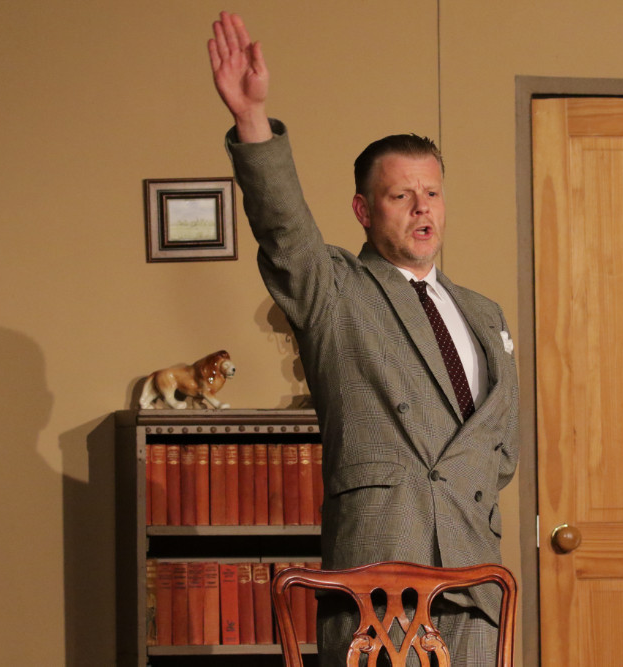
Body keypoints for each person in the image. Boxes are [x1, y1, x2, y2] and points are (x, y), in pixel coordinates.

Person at [208, 12, 519, 666]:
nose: (422, 208)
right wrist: (252, 119)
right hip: (378, 572)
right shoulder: (336, 291)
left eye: (431, 193)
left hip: (474, 574)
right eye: (401, 195)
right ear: (363, 209)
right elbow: (285, 230)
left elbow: (503, 446)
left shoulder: (483, 313)